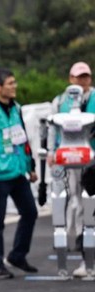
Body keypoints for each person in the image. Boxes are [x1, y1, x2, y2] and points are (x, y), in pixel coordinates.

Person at [0, 69, 38, 279]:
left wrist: (30, 166)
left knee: (30, 212)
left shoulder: (16, 108)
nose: (14, 86)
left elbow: (22, 139)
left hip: (17, 171)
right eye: (10, 83)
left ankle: (17, 255)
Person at [48, 62, 94, 278]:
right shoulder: (59, 103)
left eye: (85, 77)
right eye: (78, 77)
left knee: (89, 208)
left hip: (92, 163)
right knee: (69, 202)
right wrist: (50, 152)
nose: (82, 81)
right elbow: (50, 130)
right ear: (70, 79)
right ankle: (70, 242)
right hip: (67, 162)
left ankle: (86, 256)